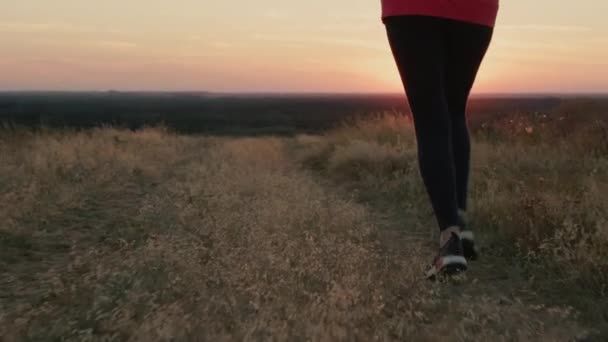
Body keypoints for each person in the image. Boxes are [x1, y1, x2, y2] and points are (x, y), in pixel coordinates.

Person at [381, 0, 499, 278]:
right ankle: (460, 223)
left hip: (413, 9)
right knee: (454, 110)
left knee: (431, 116)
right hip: (475, 11)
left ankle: (450, 241)